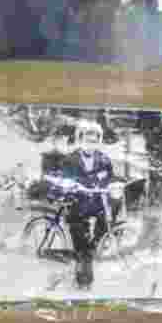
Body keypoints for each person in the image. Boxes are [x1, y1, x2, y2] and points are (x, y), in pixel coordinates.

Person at [45, 120, 115, 289]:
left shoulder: (104, 159)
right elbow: (66, 180)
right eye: (87, 140)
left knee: (102, 234)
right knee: (83, 247)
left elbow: (110, 178)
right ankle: (84, 283)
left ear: (99, 142)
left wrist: (113, 184)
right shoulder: (71, 160)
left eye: (95, 141)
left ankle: (84, 259)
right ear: (80, 140)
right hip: (77, 205)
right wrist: (75, 185)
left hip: (97, 205)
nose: (91, 144)